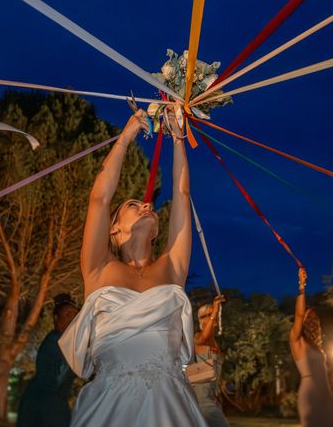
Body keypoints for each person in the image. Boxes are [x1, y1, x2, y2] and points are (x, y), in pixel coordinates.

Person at [59, 107, 207, 426]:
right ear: (114, 229)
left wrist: (178, 135)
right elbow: (99, 198)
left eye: (146, 206)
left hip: (170, 404)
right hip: (109, 405)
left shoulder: (172, 267)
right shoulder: (98, 267)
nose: (145, 205)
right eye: (131, 205)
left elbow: (181, 193)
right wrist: (126, 138)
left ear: (156, 230)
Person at [290, 268, 333, 427]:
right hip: (310, 394)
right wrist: (302, 285)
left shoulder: (319, 347)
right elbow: (299, 315)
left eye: (314, 318)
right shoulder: (297, 341)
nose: (311, 319)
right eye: (308, 317)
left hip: (326, 395)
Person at [17, 293, 79, 427]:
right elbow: (54, 379)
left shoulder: (67, 342)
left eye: (75, 314)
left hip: (54, 403)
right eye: (68, 314)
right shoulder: (55, 342)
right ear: (56, 318)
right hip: (44, 405)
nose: (73, 318)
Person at [192, 295, 229, 427]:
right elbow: (203, 338)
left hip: (210, 399)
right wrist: (214, 310)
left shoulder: (214, 342)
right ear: (200, 321)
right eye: (204, 316)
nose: (208, 318)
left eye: (211, 314)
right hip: (202, 402)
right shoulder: (197, 337)